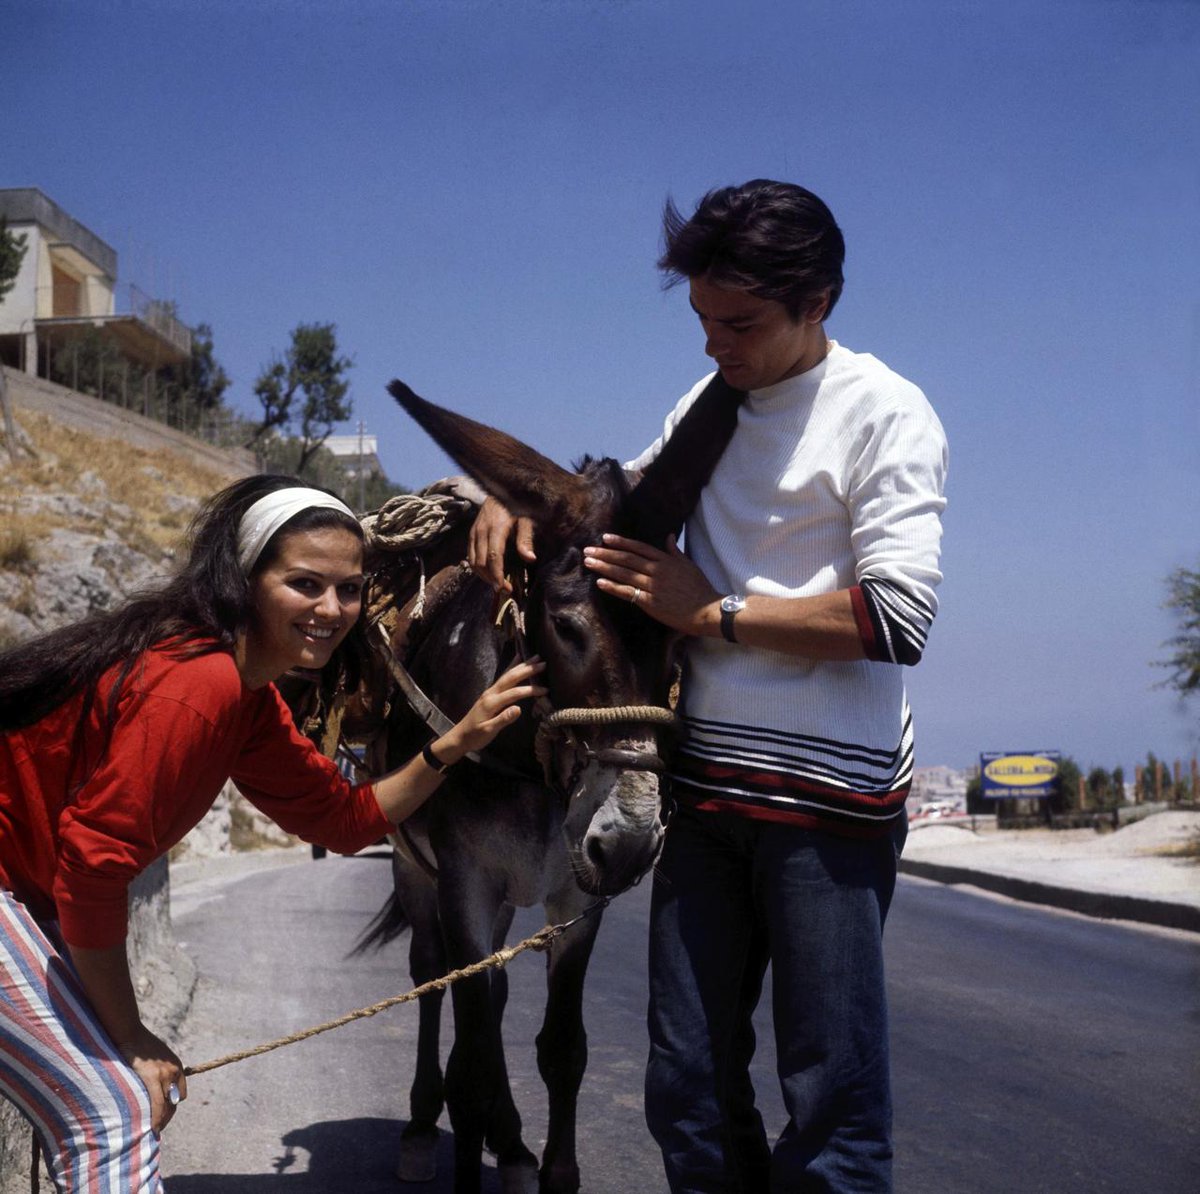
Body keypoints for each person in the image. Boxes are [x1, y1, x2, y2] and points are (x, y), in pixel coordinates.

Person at [468, 180, 947, 1192]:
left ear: (820, 301)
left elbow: (897, 617)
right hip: (706, 794)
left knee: (829, 1101)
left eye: (739, 323)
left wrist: (712, 612)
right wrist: (511, 505)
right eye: (700, 320)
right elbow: (607, 505)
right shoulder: (713, 403)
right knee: (685, 1085)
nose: (712, 345)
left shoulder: (886, 413)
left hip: (831, 810)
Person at [0, 474, 545, 1193]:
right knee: (112, 1111)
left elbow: (345, 821)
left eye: (349, 588)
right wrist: (129, 1035)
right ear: (245, 580)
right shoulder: (198, 686)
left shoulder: (246, 701)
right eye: (304, 584)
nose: (332, 609)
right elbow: (93, 869)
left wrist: (457, 740)